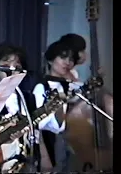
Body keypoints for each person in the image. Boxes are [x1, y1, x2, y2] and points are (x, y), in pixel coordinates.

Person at [0, 43, 42, 172]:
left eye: (16, 67)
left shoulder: (28, 98)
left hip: (25, 162)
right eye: (5, 66)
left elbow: (36, 134)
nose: (10, 70)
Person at [33, 41, 79, 172]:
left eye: (71, 59)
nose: (67, 62)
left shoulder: (69, 86)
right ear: (50, 60)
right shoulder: (41, 87)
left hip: (70, 142)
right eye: (63, 57)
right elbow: (38, 123)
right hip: (50, 142)